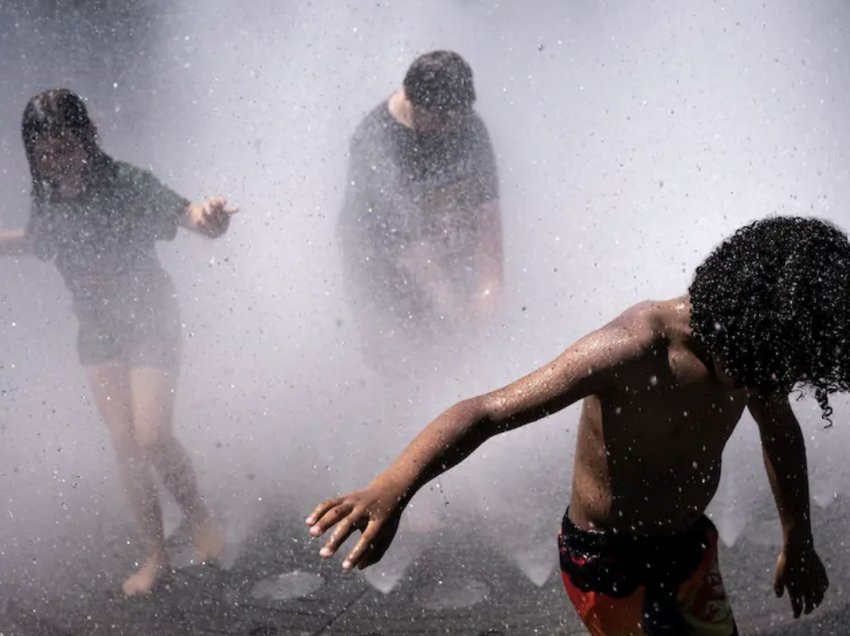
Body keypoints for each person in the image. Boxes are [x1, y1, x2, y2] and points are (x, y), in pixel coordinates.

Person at [307, 216, 848, 635]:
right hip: (605, 561)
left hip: (686, 547)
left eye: (788, 370)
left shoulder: (756, 361)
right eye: (770, 365)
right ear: (744, 316)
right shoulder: (633, 349)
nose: (772, 382)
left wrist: (797, 538)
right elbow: (487, 412)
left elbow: (779, 432)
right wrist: (393, 486)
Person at [0, 89, 236, 596]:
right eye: (45, 152)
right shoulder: (48, 197)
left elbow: (189, 217)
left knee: (152, 437)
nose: (57, 160)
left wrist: (210, 217)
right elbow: (38, 242)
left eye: (65, 147)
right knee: (126, 446)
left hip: (150, 318)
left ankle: (199, 518)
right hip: (98, 332)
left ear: (86, 137)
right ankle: (156, 555)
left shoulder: (124, 183)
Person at [337, 50, 503, 372]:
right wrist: (459, 318)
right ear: (413, 101)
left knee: (465, 346)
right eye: (442, 120)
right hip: (379, 266)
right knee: (408, 363)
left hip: (439, 247)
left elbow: (488, 216)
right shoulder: (376, 144)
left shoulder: (466, 125)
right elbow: (409, 248)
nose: (453, 130)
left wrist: (490, 291)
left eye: (459, 118)